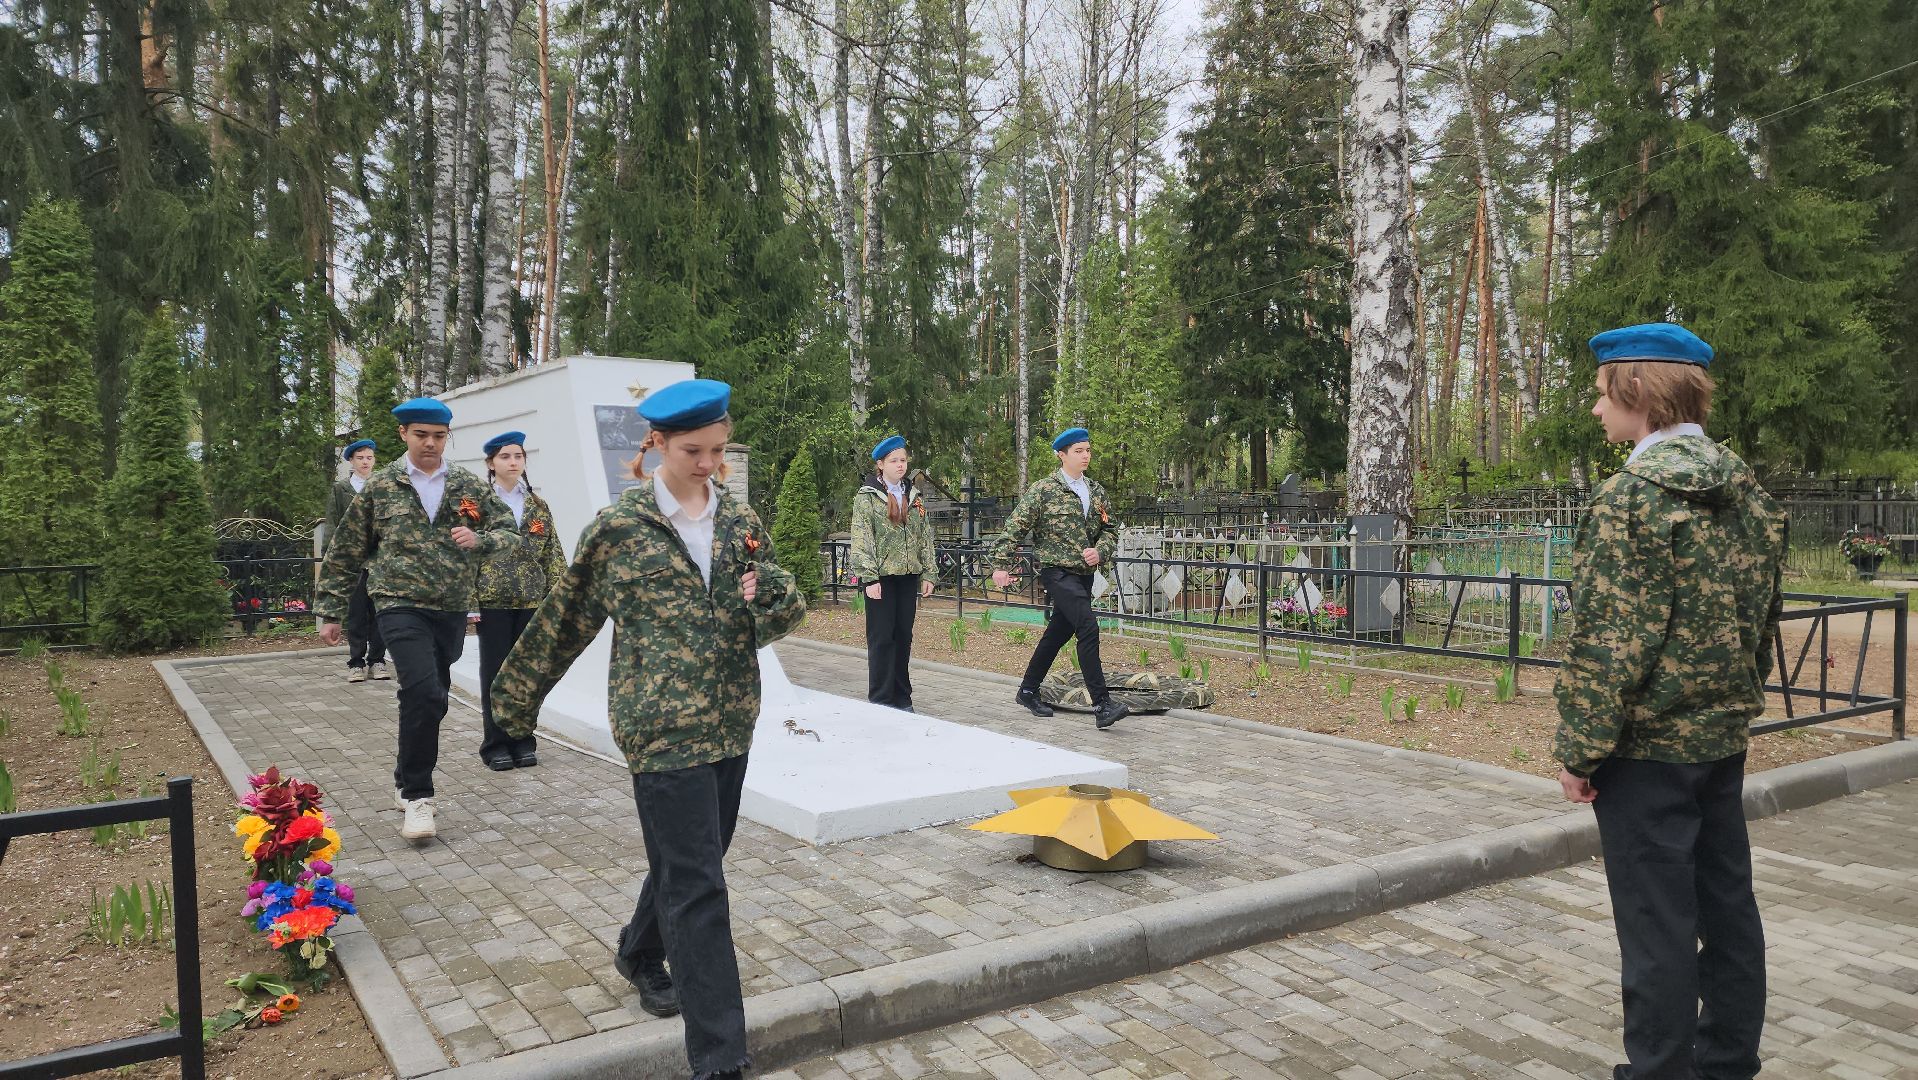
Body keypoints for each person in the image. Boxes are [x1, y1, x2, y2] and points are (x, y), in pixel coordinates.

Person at [490, 379, 805, 1080]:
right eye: (694, 450)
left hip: (731, 718)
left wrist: (776, 595)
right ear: (657, 443)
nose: (708, 464)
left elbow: (777, 618)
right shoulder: (618, 530)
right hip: (658, 729)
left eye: (719, 450)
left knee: (694, 858)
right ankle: (720, 1058)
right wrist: (510, 704)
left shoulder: (743, 520)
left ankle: (637, 950)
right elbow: (566, 618)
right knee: (699, 888)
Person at [1553, 323, 1786, 1080]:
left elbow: (1612, 642)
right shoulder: (1745, 490)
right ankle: (1726, 1063)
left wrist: (1581, 751)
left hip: (1648, 750)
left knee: (1657, 926)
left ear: (1638, 392)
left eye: (1601, 393)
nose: (1595, 409)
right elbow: (1762, 616)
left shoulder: (1632, 500)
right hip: (1721, 737)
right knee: (1727, 907)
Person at [316, 398, 518, 841]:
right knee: (424, 692)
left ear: (447, 437)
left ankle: (404, 773)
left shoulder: (467, 484)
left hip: (450, 606)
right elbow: (346, 549)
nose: (430, 443)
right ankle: (418, 796)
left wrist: (480, 538)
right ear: (403, 435)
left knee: (433, 697)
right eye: (421, 434)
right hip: (396, 602)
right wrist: (331, 611)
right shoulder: (382, 486)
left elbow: (508, 531)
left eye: (439, 436)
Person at [989, 427, 1128, 730]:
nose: (1086, 456)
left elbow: (1110, 529)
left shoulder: (1095, 490)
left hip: (1084, 576)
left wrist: (1100, 551)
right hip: (1057, 573)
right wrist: (1000, 565)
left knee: (1057, 634)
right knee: (1088, 627)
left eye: (1088, 450)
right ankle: (1102, 705)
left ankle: (1027, 690)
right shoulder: (1044, 489)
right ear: (1061, 455)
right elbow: (1016, 525)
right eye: (1079, 451)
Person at [472, 431, 567, 771]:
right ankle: (496, 743)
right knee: (496, 675)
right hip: (492, 602)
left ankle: (523, 739)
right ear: (491, 463)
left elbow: (553, 554)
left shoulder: (537, 505)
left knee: (528, 674)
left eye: (518, 456)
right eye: (505, 457)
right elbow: (464, 554)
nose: (513, 462)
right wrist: (469, 603)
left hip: (532, 601)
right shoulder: (476, 505)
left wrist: (560, 598)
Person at [848, 434, 936, 711]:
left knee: (903, 637)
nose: (900, 465)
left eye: (903, 460)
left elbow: (925, 537)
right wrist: (869, 577)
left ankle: (902, 697)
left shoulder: (913, 495)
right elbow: (862, 537)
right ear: (880, 464)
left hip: (908, 577)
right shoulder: (867, 497)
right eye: (894, 461)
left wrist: (929, 573)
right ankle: (881, 699)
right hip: (881, 579)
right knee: (882, 638)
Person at [325, 439, 389, 684]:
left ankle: (377, 660)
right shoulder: (341, 489)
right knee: (357, 613)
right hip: (354, 561)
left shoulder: (382, 486)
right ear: (351, 461)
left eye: (369, 457)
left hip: (380, 560)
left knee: (380, 612)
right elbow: (333, 523)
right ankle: (356, 662)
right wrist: (331, 555)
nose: (365, 462)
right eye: (360, 458)